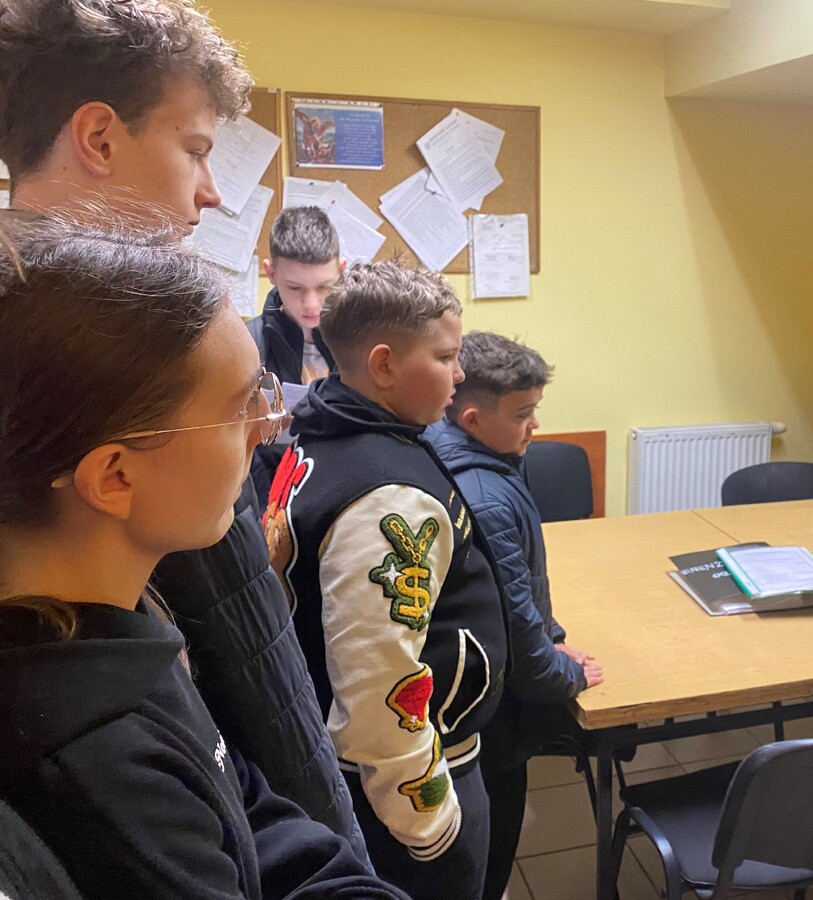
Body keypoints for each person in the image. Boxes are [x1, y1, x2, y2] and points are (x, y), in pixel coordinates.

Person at [0, 0, 370, 865]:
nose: (211, 190)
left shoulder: (164, 327)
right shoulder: (74, 360)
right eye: (196, 149)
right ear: (99, 137)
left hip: (234, 774)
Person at [0, 218, 407, 899]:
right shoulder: (101, 767)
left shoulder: (128, 627)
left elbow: (247, 811)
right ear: (116, 477)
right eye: (240, 406)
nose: (269, 425)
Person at [261, 261, 509, 899]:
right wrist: (429, 820)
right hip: (413, 782)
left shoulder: (326, 430)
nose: (460, 373)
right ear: (384, 365)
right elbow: (377, 689)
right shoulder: (385, 498)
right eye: (445, 356)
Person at [426, 331, 604, 900]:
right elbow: (513, 619)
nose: (535, 426)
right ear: (473, 419)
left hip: (489, 691)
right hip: (493, 711)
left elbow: (520, 587)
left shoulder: (482, 457)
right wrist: (564, 673)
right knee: (496, 836)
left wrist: (554, 637)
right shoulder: (484, 493)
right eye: (523, 414)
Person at [246, 205, 343, 506]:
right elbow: (244, 454)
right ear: (271, 274)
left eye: (324, 287)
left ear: (342, 270)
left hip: (346, 491)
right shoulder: (249, 347)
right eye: (295, 288)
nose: (311, 304)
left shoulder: (360, 340)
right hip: (276, 501)